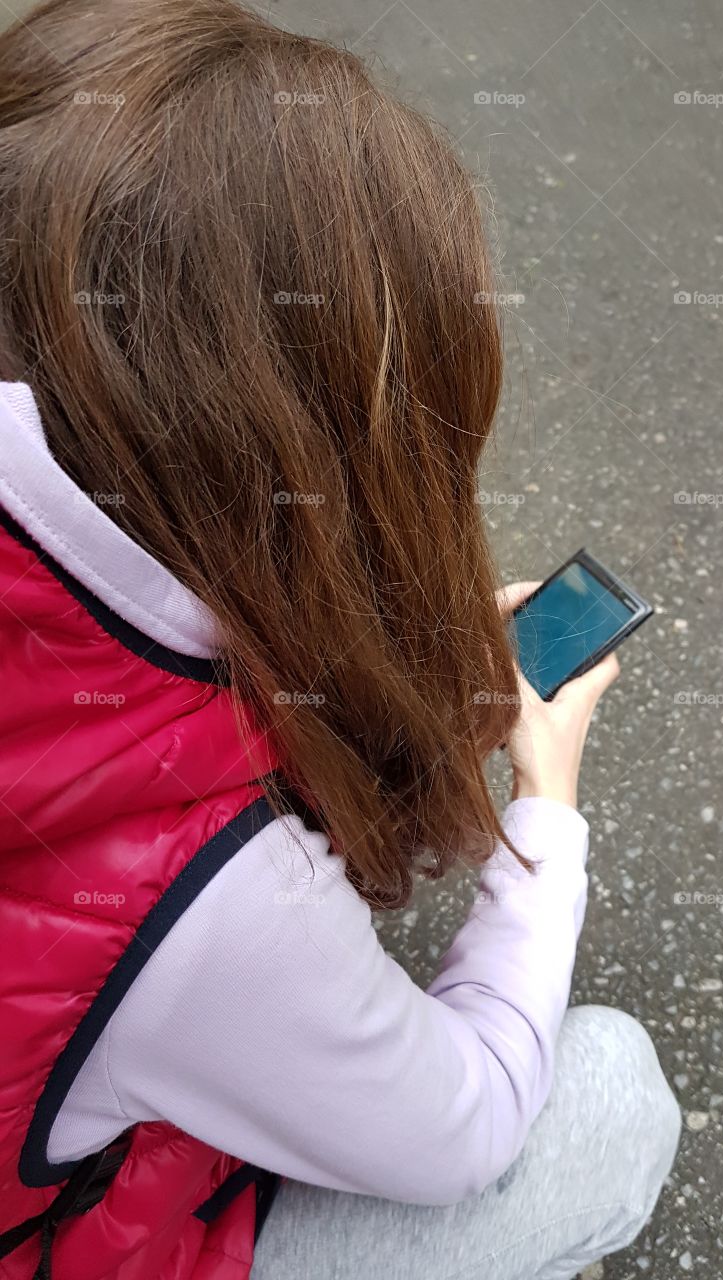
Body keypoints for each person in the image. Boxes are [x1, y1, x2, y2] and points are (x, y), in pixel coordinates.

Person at [0, 1, 681, 1277]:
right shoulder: (212, 906)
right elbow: (467, 1120)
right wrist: (545, 801)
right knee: (608, 1097)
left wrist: (372, 673)